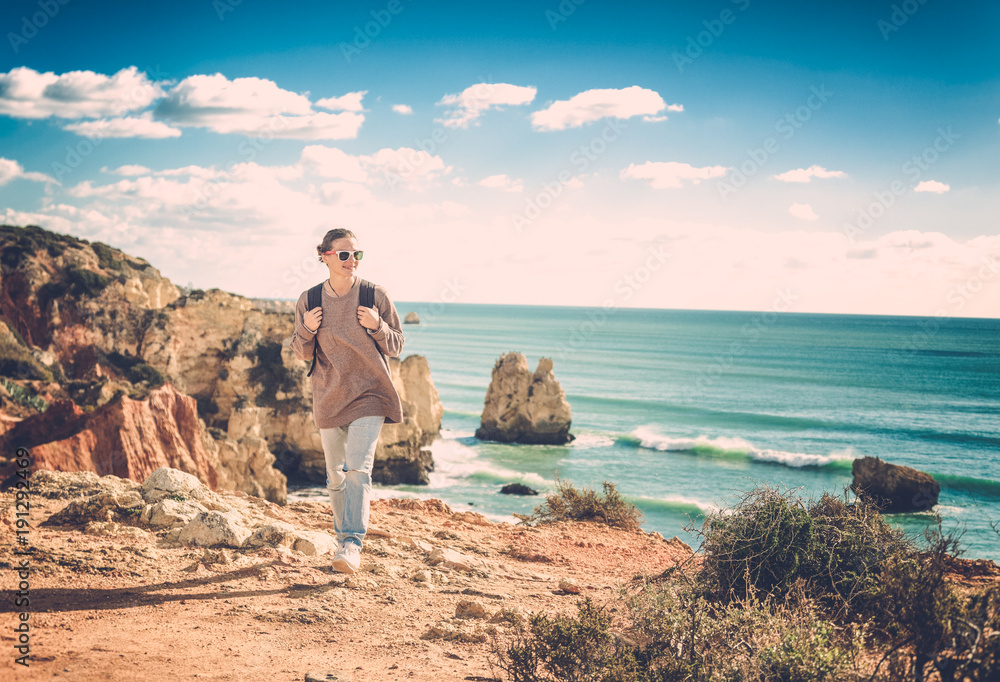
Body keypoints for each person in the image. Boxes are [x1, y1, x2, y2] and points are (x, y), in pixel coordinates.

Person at [290, 228, 404, 575]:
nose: (351, 260)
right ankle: (343, 539)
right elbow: (300, 351)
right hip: (329, 396)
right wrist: (307, 330)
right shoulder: (308, 300)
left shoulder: (374, 294)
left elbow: (397, 344)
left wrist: (378, 326)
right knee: (334, 477)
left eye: (356, 254)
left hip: (370, 394)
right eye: (343, 254)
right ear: (324, 256)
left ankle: (352, 543)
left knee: (357, 470)